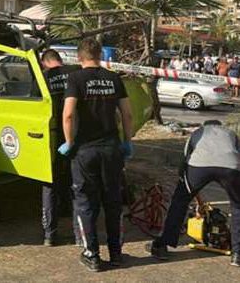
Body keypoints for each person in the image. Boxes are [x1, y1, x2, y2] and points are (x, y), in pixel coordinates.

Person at [60, 38, 134, 272]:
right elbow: (127, 115)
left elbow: (69, 115)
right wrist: (127, 142)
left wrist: (69, 142)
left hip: (85, 151)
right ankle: (116, 253)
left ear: (79, 57)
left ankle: (92, 254)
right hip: (112, 149)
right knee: (113, 203)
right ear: (100, 55)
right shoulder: (114, 79)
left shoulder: (75, 79)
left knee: (86, 203)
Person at [147, 120, 240, 267]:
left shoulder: (198, 132)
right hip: (230, 167)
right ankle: (237, 253)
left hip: (198, 167)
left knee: (179, 202)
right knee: (237, 207)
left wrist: (185, 186)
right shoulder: (230, 133)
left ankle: (163, 245)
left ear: (204, 125)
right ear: (220, 125)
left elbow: (185, 159)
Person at [40, 49, 79, 246]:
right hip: (76, 135)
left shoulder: (42, 78)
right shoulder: (75, 72)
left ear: (43, 63)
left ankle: (50, 235)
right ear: (60, 60)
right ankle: (79, 233)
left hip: (51, 136)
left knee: (50, 185)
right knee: (76, 184)